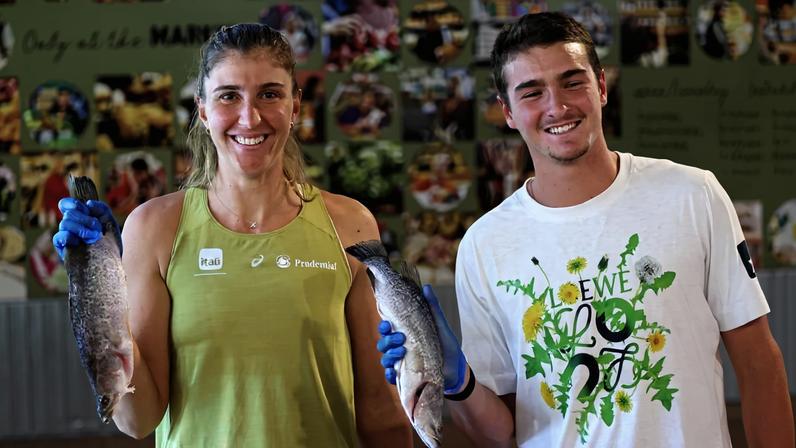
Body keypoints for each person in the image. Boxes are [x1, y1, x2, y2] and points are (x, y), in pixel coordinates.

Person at [377, 12, 794, 447]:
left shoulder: (692, 195)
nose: (557, 106)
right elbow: (500, 434)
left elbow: (758, 362)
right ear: (508, 113)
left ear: (602, 86)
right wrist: (454, 377)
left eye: (572, 82)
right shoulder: (485, 243)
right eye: (532, 92)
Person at [53, 23, 411, 447]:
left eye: (270, 94)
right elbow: (138, 418)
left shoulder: (350, 223)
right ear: (203, 110)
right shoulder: (156, 228)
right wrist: (96, 288)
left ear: (295, 106)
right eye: (229, 96)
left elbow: (379, 408)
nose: (250, 116)